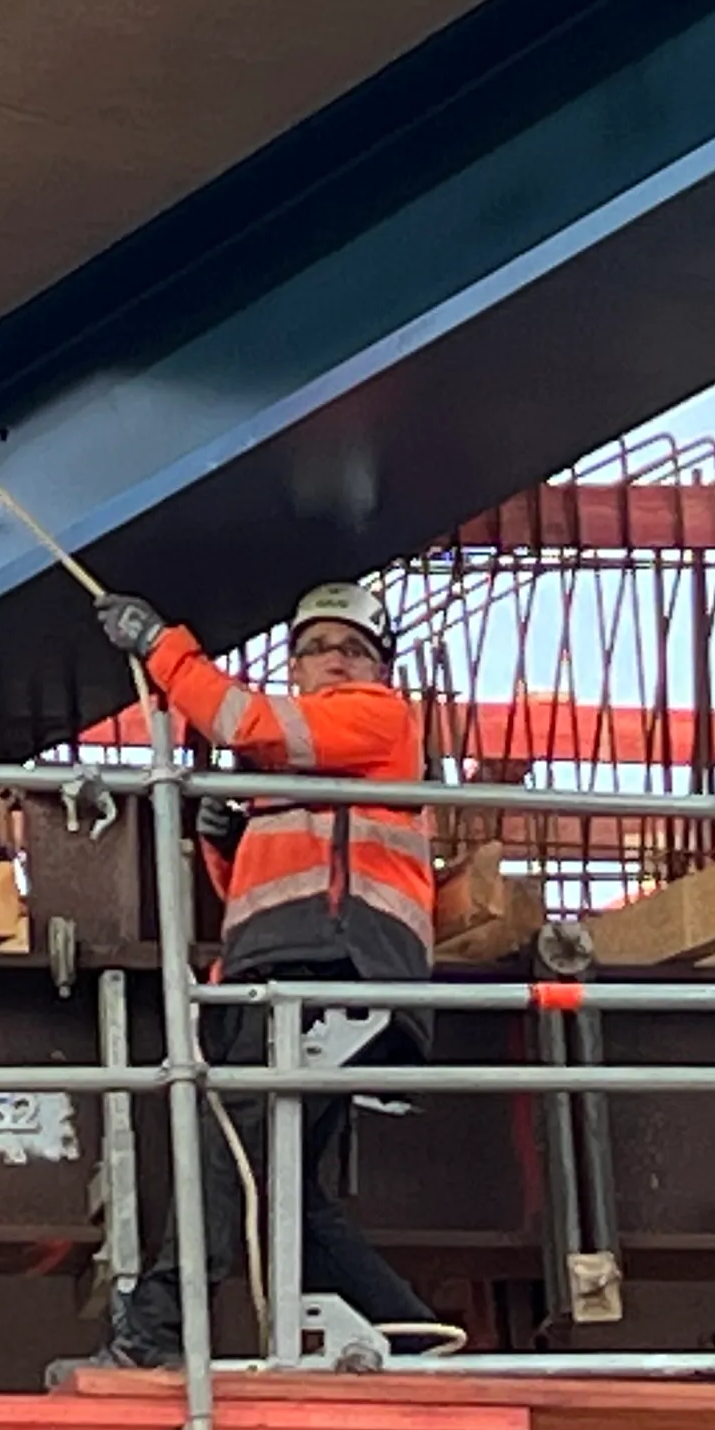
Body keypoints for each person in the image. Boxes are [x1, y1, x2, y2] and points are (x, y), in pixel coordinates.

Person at [91, 576, 443, 1366]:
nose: (335, 662)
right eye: (316, 651)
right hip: (305, 966)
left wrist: (161, 649)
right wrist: (225, 842)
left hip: (333, 970)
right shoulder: (309, 768)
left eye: (353, 650)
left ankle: (157, 1335)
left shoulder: (375, 718)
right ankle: (414, 1337)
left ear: (379, 667)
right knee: (284, 1188)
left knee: (230, 1158)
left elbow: (244, 720)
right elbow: (269, 894)